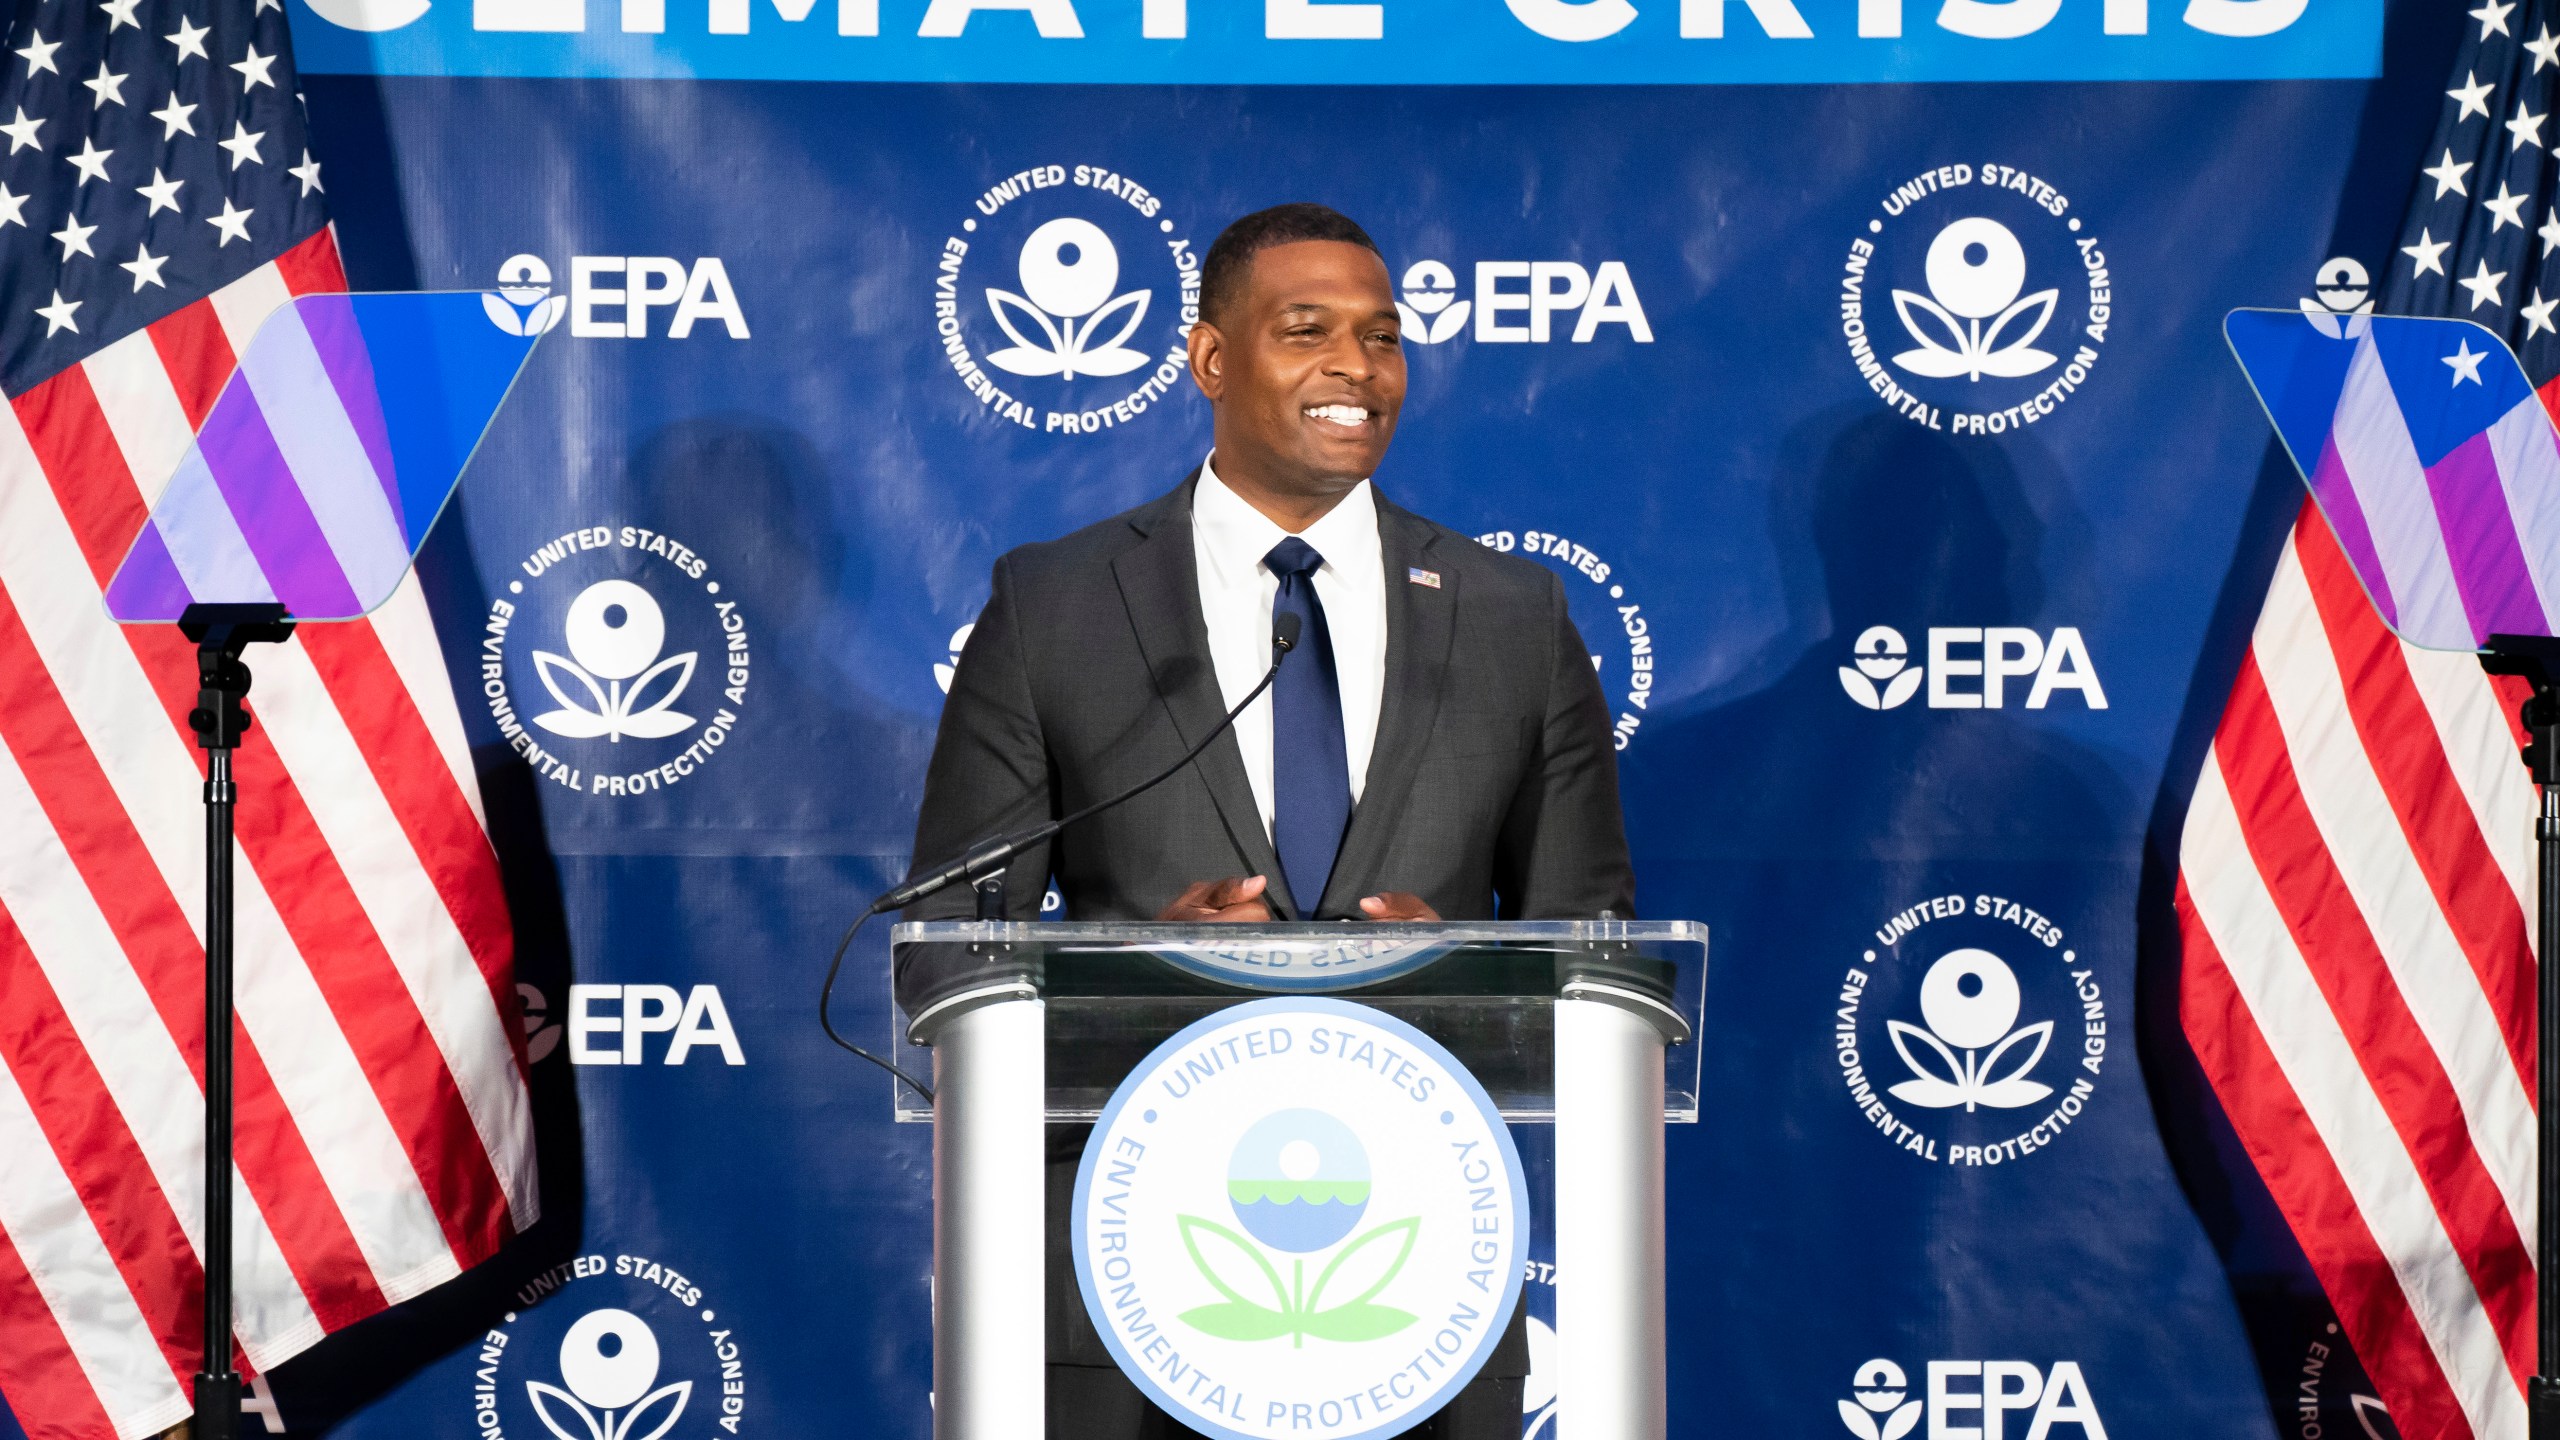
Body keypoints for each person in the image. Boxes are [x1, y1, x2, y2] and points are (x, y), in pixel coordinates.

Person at [902, 202, 1636, 1438]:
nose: (1359, 366)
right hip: (1120, 1285)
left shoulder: (1513, 614)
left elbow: (1595, 952)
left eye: (1384, 336)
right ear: (1209, 360)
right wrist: (1136, 974)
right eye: (1309, 331)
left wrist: (1455, 975)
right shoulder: (1057, 604)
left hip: (1422, 1290)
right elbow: (943, 947)